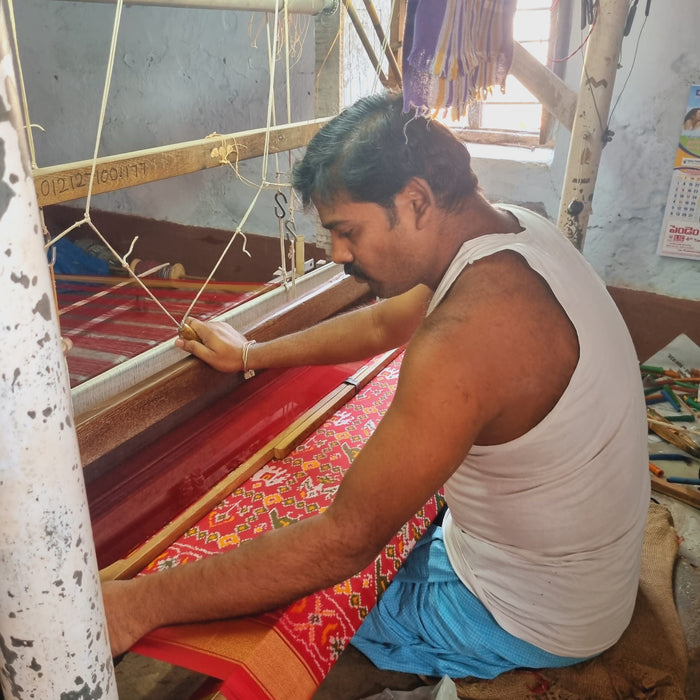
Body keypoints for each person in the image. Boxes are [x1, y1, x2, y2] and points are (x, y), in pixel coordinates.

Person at [102, 91, 649, 680]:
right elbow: (385, 321)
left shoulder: (469, 335)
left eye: (348, 231)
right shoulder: (517, 231)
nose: (338, 254)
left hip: (523, 620)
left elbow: (344, 541)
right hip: (576, 583)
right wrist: (251, 355)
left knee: (289, 608)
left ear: (416, 200)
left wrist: (139, 603)